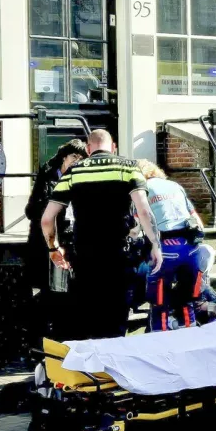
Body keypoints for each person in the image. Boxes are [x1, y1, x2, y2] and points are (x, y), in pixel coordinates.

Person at [40, 130, 163, 341]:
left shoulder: (74, 172)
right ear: (113, 147)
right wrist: (155, 245)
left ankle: (94, 368)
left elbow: (46, 219)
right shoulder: (128, 168)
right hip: (119, 256)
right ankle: (114, 365)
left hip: (85, 256)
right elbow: (144, 211)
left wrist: (54, 248)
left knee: (90, 317)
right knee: (117, 318)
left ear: (88, 149)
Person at [134, 159, 216, 330]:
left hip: (164, 250)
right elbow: (198, 221)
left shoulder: (140, 191)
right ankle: (191, 336)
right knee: (186, 301)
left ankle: (160, 341)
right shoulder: (174, 186)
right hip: (189, 249)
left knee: (160, 304)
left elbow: (136, 225)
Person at [23, 139, 88, 342]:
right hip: (46, 243)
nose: (76, 162)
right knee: (48, 291)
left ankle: (63, 333)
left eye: (80, 158)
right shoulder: (49, 178)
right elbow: (33, 210)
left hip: (67, 241)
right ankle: (42, 336)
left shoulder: (79, 179)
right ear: (64, 157)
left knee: (65, 291)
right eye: (73, 157)